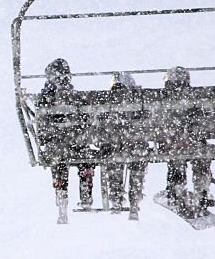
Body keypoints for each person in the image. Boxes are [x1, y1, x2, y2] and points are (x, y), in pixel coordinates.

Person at [35, 58, 95, 223]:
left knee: (59, 165)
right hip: (77, 143)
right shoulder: (76, 96)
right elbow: (87, 120)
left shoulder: (46, 97)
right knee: (86, 160)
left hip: (58, 145)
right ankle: (86, 196)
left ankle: (62, 201)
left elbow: (41, 124)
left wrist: (49, 137)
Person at [162, 66, 214, 208]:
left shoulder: (162, 99)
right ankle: (202, 191)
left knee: (176, 161)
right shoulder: (196, 96)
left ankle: (176, 191)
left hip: (174, 144)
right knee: (201, 159)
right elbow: (205, 119)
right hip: (195, 143)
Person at [104, 73, 147, 220]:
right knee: (137, 162)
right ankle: (134, 199)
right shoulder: (140, 103)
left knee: (114, 162)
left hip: (115, 147)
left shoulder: (107, 106)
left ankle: (116, 197)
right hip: (135, 146)